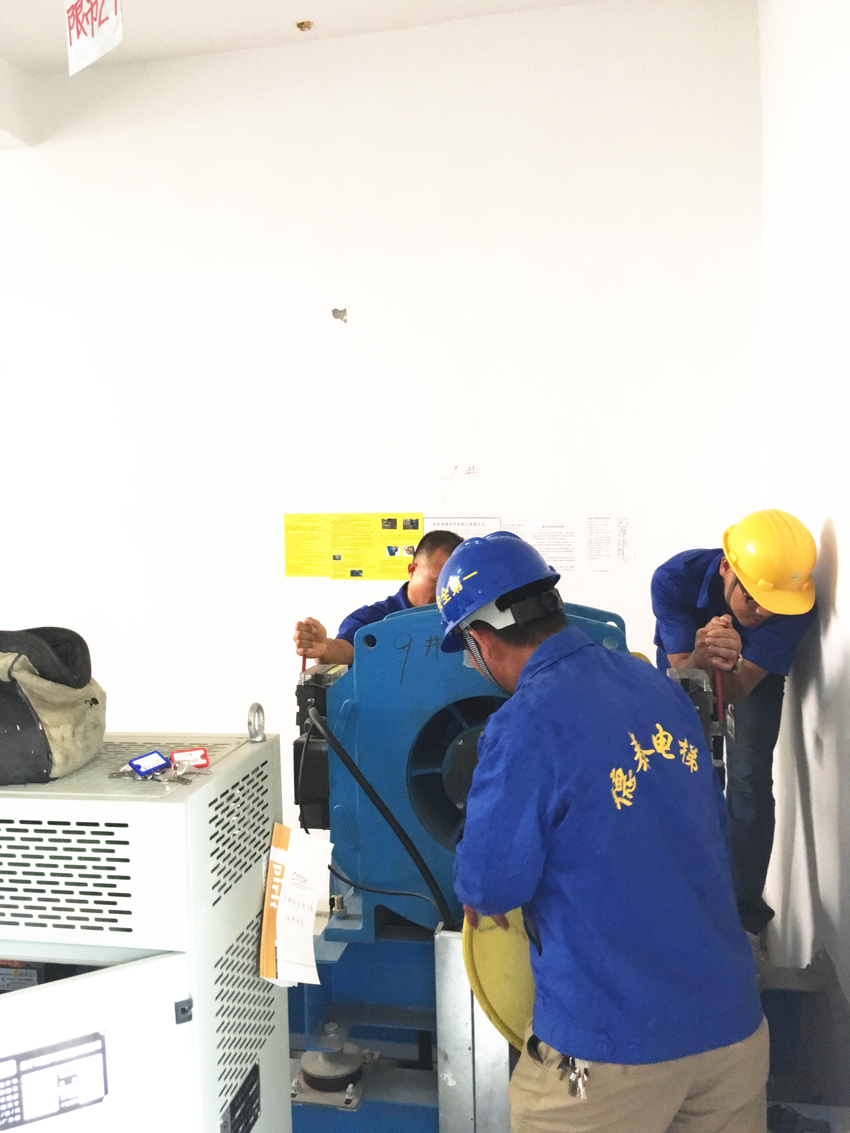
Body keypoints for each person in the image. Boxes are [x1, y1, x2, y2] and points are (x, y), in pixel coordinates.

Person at [439, 531, 767, 1133]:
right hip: (733, 1032)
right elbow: (711, 830)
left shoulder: (524, 723)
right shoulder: (662, 689)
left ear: (480, 640)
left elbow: (489, 886)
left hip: (610, 1049)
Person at [651, 509, 817, 940]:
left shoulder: (795, 606)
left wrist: (730, 661)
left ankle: (742, 915)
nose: (762, 612)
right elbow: (684, 680)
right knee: (683, 772)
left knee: (748, 779)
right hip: (684, 665)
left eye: (773, 606)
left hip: (752, 676)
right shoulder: (674, 579)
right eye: (754, 599)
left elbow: (739, 690)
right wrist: (702, 655)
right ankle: (681, 898)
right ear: (727, 567)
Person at [293, 529, 463, 667]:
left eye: (452, 586)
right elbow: (347, 651)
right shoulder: (374, 620)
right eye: (437, 582)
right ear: (412, 570)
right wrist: (325, 648)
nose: (444, 593)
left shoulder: (464, 619)